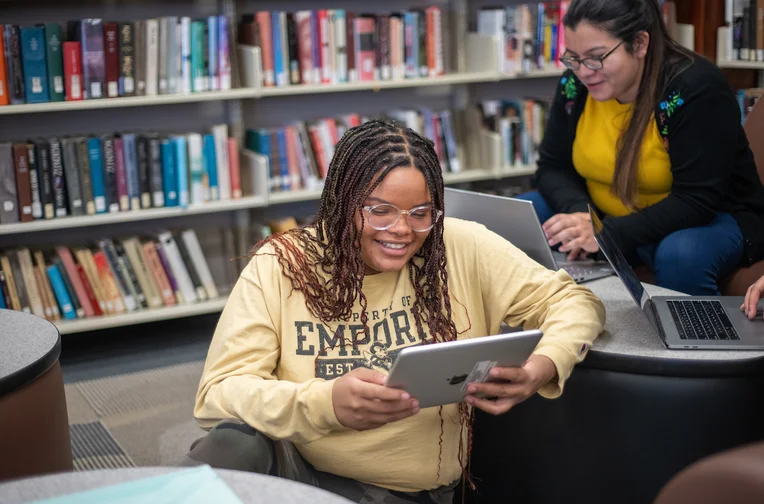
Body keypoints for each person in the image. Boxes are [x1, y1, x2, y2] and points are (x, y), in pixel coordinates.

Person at [182, 120, 606, 503]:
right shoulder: (284, 262)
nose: (402, 230)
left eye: (420, 213)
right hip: (297, 470)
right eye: (379, 211)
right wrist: (325, 403)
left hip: (398, 492)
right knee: (231, 446)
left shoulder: (461, 246)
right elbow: (217, 395)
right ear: (343, 202)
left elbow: (575, 302)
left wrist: (543, 367)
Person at [519, 0, 764, 296]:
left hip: (709, 218)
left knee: (681, 255)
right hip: (607, 214)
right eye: (573, 57)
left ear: (639, 43)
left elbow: (698, 200)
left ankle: (696, 338)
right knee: (524, 211)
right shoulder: (575, 84)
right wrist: (580, 217)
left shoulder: (695, 88)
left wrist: (604, 234)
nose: (584, 71)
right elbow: (552, 166)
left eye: (596, 57)